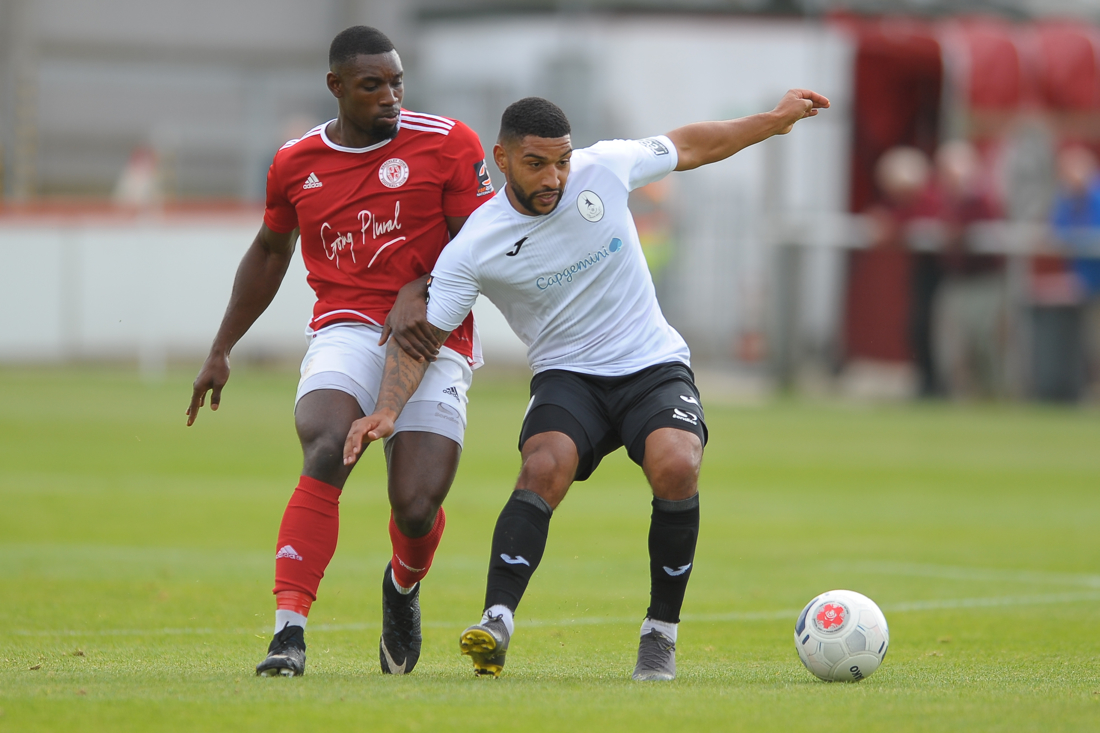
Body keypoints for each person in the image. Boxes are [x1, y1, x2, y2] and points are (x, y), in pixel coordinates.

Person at [343, 91, 829, 680]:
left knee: (677, 463)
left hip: (652, 363)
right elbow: (425, 337)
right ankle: (496, 622)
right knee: (543, 465)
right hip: (569, 375)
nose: (555, 177)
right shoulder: (475, 244)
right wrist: (388, 410)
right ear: (502, 158)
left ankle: (660, 635)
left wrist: (772, 123)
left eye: (562, 161)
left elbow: (692, 144)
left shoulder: (605, 166)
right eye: (536, 164)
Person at [185, 26, 494, 677]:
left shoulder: (447, 143)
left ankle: (402, 588)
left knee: (415, 506)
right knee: (326, 441)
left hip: (434, 336)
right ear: (336, 87)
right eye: (373, 85)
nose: (391, 96)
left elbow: (485, 246)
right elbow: (270, 251)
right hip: (347, 327)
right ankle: (288, 633)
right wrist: (222, 348)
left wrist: (427, 285)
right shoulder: (295, 162)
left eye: (397, 82)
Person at [1050, 145, 1100, 397]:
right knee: (1091, 340)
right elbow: (1058, 230)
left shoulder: (1097, 197)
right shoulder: (1066, 199)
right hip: (1087, 282)